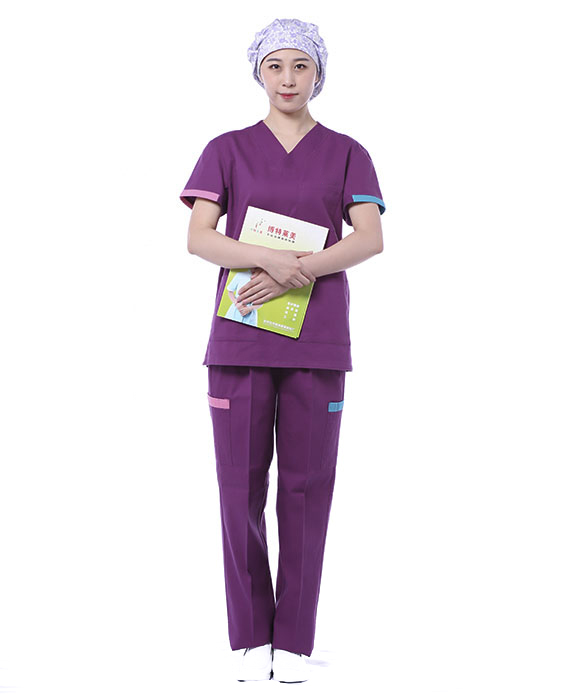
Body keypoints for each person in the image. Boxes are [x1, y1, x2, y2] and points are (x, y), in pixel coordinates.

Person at [179, 17, 386, 683]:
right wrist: (269, 259)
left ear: (318, 73)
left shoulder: (347, 152)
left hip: (316, 342)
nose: (288, 79)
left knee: (306, 489)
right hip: (240, 337)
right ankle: (250, 638)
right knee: (238, 487)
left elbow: (369, 238)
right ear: (258, 72)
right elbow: (200, 238)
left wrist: (302, 269)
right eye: (276, 66)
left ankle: (293, 640)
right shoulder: (226, 150)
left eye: (301, 66)